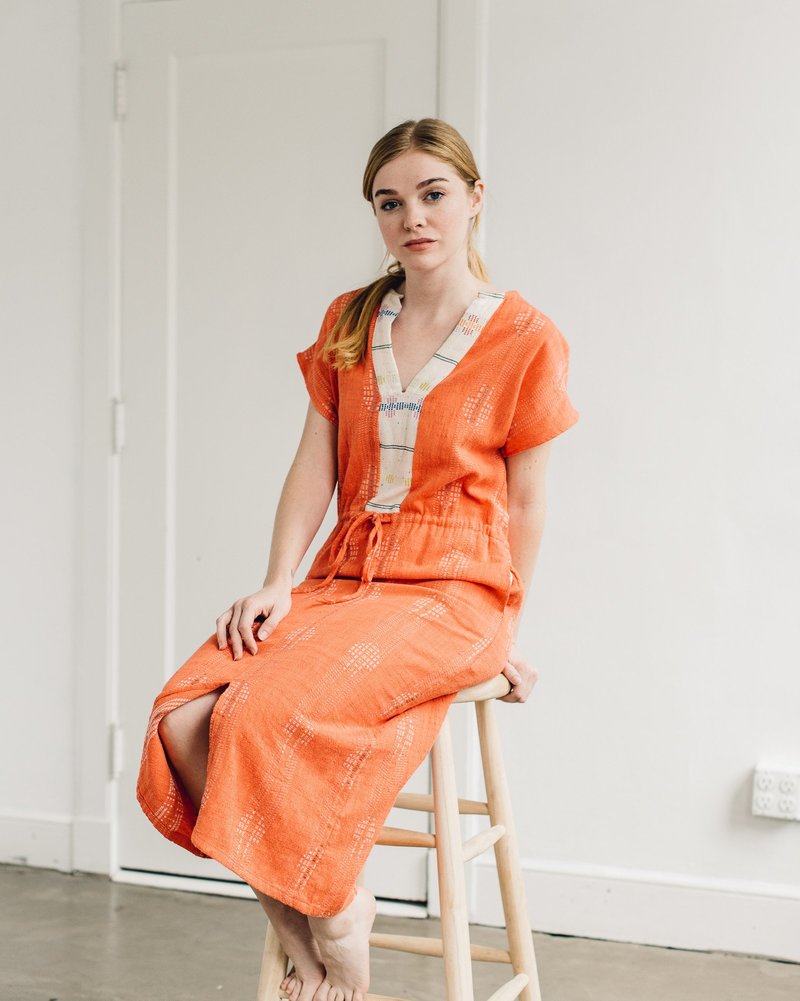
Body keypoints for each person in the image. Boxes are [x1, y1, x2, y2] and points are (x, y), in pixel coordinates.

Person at [136, 118, 579, 1001]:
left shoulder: (527, 335)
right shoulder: (350, 319)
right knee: (184, 715)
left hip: (455, 589)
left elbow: (528, 504)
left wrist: (506, 628)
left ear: (475, 199)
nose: (412, 217)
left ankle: (329, 918)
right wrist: (277, 580)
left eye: (432, 194)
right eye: (390, 202)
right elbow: (315, 464)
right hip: (344, 577)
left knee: (259, 711)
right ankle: (321, 915)